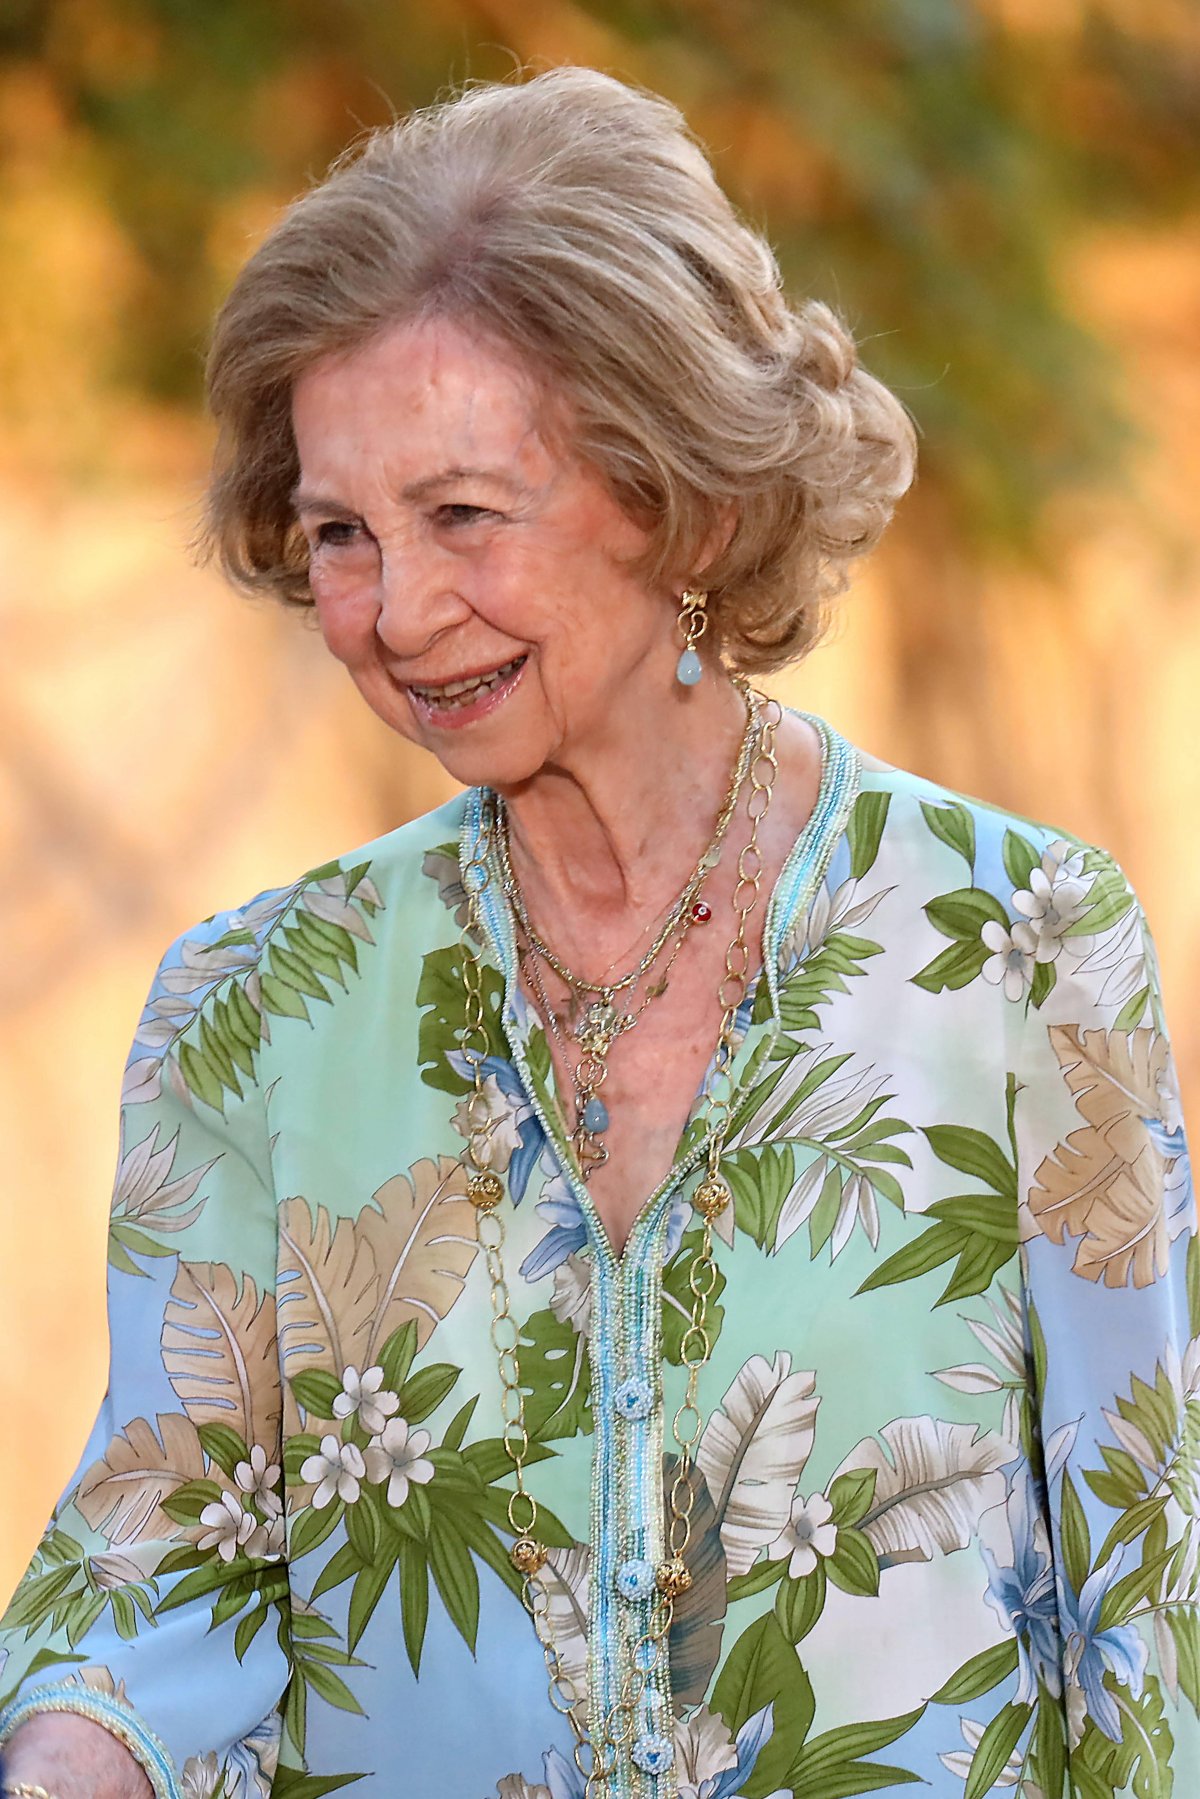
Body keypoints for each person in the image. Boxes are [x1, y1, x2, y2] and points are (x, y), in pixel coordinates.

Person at [0, 62, 1194, 1799]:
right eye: (341, 532)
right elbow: (165, 1558)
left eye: (465, 515)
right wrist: (66, 1753)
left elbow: (1144, 1599)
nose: (398, 613)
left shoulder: (1021, 950)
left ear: (684, 498)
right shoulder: (253, 1009)